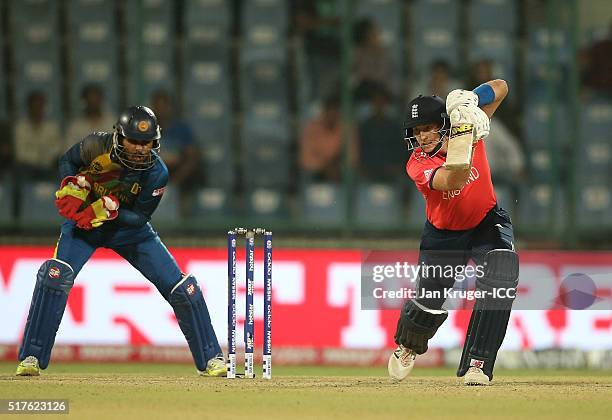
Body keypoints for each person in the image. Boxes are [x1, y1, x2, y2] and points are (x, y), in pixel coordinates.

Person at [15, 106, 225, 377]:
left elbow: (139, 218)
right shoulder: (94, 145)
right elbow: (67, 160)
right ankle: (31, 357)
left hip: (129, 233)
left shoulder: (157, 173)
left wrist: (108, 208)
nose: (140, 148)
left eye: (146, 142)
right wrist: (72, 184)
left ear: (154, 141)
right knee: (55, 277)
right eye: (134, 141)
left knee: (184, 289)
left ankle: (211, 360)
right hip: (85, 225)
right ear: (119, 136)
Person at [388, 80, 519, 386]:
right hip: (443, 235)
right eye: (417, 131)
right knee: (428, 302)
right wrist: (464, 137)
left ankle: (478, 363)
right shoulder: (416, 163)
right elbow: (452, 180)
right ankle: (408, 345)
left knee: (501, 278)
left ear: (444, 125)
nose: (422, 137)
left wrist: (471, 101)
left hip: (486, 222)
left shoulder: (467, 123)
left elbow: (501, 87)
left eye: (429, 128)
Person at [150, 90, 200, 217]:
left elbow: (192, 156)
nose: (161, 110)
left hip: (177, 175)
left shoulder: (181, 128)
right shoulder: (146, 129)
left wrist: (175, 180)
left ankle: (185, 215)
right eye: (157, 106)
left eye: (164, 106)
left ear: (169, 107)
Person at [299, 93, 358, 182]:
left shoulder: (347, 128)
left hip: (340, 170)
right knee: (307, 176)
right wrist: (325, 165)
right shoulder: (312, 128)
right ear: (324, 111)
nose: (332, 115)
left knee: (352, 176)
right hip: (317, 172)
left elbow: (352, 157)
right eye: (330, 111)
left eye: (335, 111)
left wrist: (336, 165)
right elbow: (305, 158)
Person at [14, 91, 63, 180]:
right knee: (19, 170)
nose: (37, 108)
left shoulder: (52, 127)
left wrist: (44, 160)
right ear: (29, 107)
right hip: (27, 167)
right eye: (34, 105)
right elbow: (20, 153)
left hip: (48, 167)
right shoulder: (20, 127)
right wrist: (39, 158)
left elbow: (56, 149)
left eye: (40, 105)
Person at [65, 84, 115, 149]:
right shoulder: (76, 126)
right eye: (90, 100)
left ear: (101, 100)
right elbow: (69, 150)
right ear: (84, 101)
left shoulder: (112, 123)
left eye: (96, 99)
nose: (93, 102)